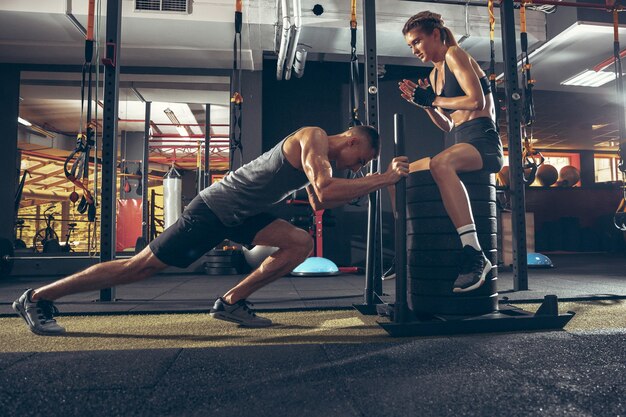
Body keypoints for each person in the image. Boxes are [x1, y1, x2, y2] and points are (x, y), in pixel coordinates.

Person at [13, 125, 409, 335]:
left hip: (244, 213)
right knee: (141, 267)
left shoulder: (320, 156)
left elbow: (321, 201)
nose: (358, 167)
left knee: (299, 243)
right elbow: (325, 189)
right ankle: (37, 297)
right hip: (215, 208)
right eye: (363, 159)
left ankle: (231, 302)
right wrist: (384, 179)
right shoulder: (314, 137)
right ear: (354, 140)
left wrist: (372, 182)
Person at [396, 11, 504, 293]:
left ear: (435, 34)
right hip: (460, 141)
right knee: (401, 172)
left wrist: (434, 98)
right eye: (411, 45)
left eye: (417, 41)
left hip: (483, 141)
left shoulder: (455, 54)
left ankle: (474, 253)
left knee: (440, 164)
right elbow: (447, 123)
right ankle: (402, 247)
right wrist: (427, 105)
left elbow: (475, 100)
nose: (415, 49)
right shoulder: (434, 74)